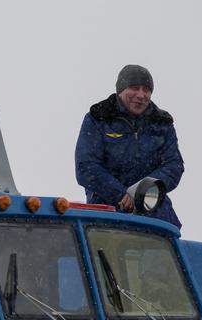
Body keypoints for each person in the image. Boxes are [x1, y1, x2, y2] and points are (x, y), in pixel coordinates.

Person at [74, 65, 184, 227]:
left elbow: (174, 166)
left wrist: (142, 191)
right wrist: (120, 195)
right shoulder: (99, 118)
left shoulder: (162, 123)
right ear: (120, 90)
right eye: (134, 88)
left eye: (146, 90)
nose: (140, 95)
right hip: (106, 214)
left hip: (157, 215)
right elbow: (86, 167)